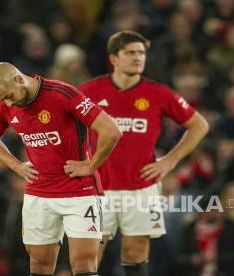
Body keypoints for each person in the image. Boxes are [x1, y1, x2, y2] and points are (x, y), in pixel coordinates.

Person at [79, 30, 209, 276]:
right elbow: (62, 124)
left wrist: (170, 160)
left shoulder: (158, 93)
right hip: (96, 187)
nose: (138, 57)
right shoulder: (90, 91)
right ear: (114, 59)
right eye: (130, 52)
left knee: (136, 253)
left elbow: (199, 125)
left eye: (141, 53)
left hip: (140, 187)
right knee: (89, 255)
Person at [0, 62, 122, 276]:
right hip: (39, 193)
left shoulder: (61, 93)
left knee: (84, 266)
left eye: (9, 96)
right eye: (2, 99)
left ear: (19, 79)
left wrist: (91, 165)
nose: (8, 102)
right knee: (39, 266)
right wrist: (16, 166)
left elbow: (111, 131)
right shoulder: (5, 105)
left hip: (79, 192)